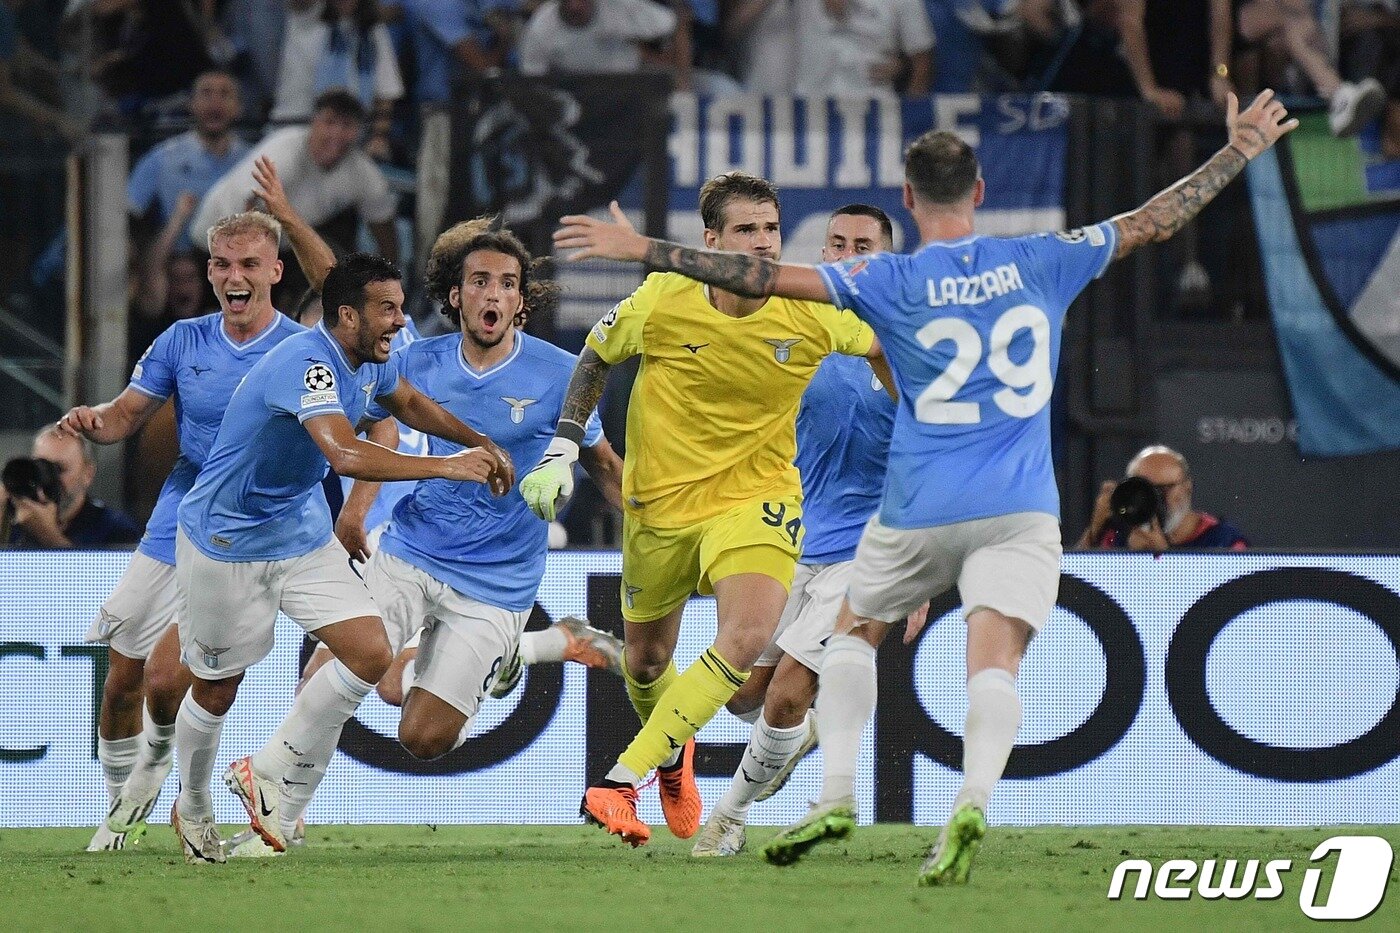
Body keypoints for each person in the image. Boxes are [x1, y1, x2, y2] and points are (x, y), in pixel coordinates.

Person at [549, 89, 1297, 881]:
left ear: (907, 201)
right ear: (981, 192)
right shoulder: (1042, 257)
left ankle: (775, 801)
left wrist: (645, 249)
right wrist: (1238, 151)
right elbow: (1153, 222)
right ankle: (968, 796)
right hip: (1003, 509)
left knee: (813, 670)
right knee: (966, 666)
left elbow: (752, 275)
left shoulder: (884, 286)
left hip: (902, 520)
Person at [224, 218, 623, 857]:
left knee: (424, 738)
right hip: (413, 549)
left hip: (498, 580)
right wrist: (356, 511)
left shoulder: (561, 374)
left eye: (508, 284)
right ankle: (277, 813)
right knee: (339, 664)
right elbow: (367, 412)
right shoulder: (415, 360)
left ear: (521, 301)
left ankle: (524, 651)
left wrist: (659, 534)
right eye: (480, 281)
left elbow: (603, 464)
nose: (494, 293)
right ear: (456, 296)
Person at [522, 171, 894, 849]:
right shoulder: (664, 297)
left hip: (757, 498)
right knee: (645, 662)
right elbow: (596, 355)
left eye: (771, 228)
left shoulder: (811, 308)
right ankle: (673, 756)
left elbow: (884, 347)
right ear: (712, 241)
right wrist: (562, 447)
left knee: (746, 637)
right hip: (661, 508)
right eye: (746, 230)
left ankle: (623, 776)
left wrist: (924, 425)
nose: (763, 243)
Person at [155, 252, 512, 864]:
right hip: (226, 542)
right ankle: (191, 805)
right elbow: (344, 455)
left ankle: (268, 771)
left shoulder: (371, 360)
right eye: (387, 310)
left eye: (400, 308)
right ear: (347, 315)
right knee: (216, 689)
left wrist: (480, 440)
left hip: (300, 533)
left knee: (371, 651)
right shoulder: (309, 365)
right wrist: (447, 466)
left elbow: (409, 403)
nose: (399, 322)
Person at [57, 210, 304, 852]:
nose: (233, 277)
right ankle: (121, 809)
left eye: (248, 264)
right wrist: (94, 420)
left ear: (275, 271)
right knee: (122, 672)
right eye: (222, 264)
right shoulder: (182, 340)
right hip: (180, 514)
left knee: (177, 680)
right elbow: (124, 416)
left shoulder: (302, 350)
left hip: (255, 528)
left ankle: (217, 791)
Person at [691, 204, 901, 858]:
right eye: (836, 243)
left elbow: (934, 458)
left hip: (867, 553)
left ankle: (727, 818)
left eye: (862, 246)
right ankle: (795, 737)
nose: (846, 255)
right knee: (742, 696)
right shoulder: (796, 330)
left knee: (785, 693)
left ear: (887, 260)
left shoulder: (912, 345)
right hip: (787, 536)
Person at [189, 89, 399, 264]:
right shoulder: (285, 151)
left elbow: (383, 224)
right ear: (314, 122)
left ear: (358, 131)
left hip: (283, 246)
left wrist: (391, 280)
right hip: (216, 239)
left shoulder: (362, 172)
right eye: (330, 122)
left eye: (347, 125)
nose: (336, 134)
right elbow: (248, 207)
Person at [127, 69, 248, 237]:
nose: (215, 102)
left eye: (225, 94)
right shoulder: (162, 158)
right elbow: (129, 211)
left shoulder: (253, 160)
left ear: (238, 108)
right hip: (180, 251)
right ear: (191, 104)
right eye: (206, 93)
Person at [1075, 445, 1248, 551]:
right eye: (1145, 489)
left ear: (1187, 487)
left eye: (1164, 489)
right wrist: (1094, 531)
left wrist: (1161, 557)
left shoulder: (1223, 541)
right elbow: (1075, 587)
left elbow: (1231, 596)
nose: (1155, 499)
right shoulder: (1119, 535)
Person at [2, 427, 139, 549]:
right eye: (40, 467)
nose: (48, 478)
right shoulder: (16, 517)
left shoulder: (116, 530)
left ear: (87, 474)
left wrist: (48, 536)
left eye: (59, 469)